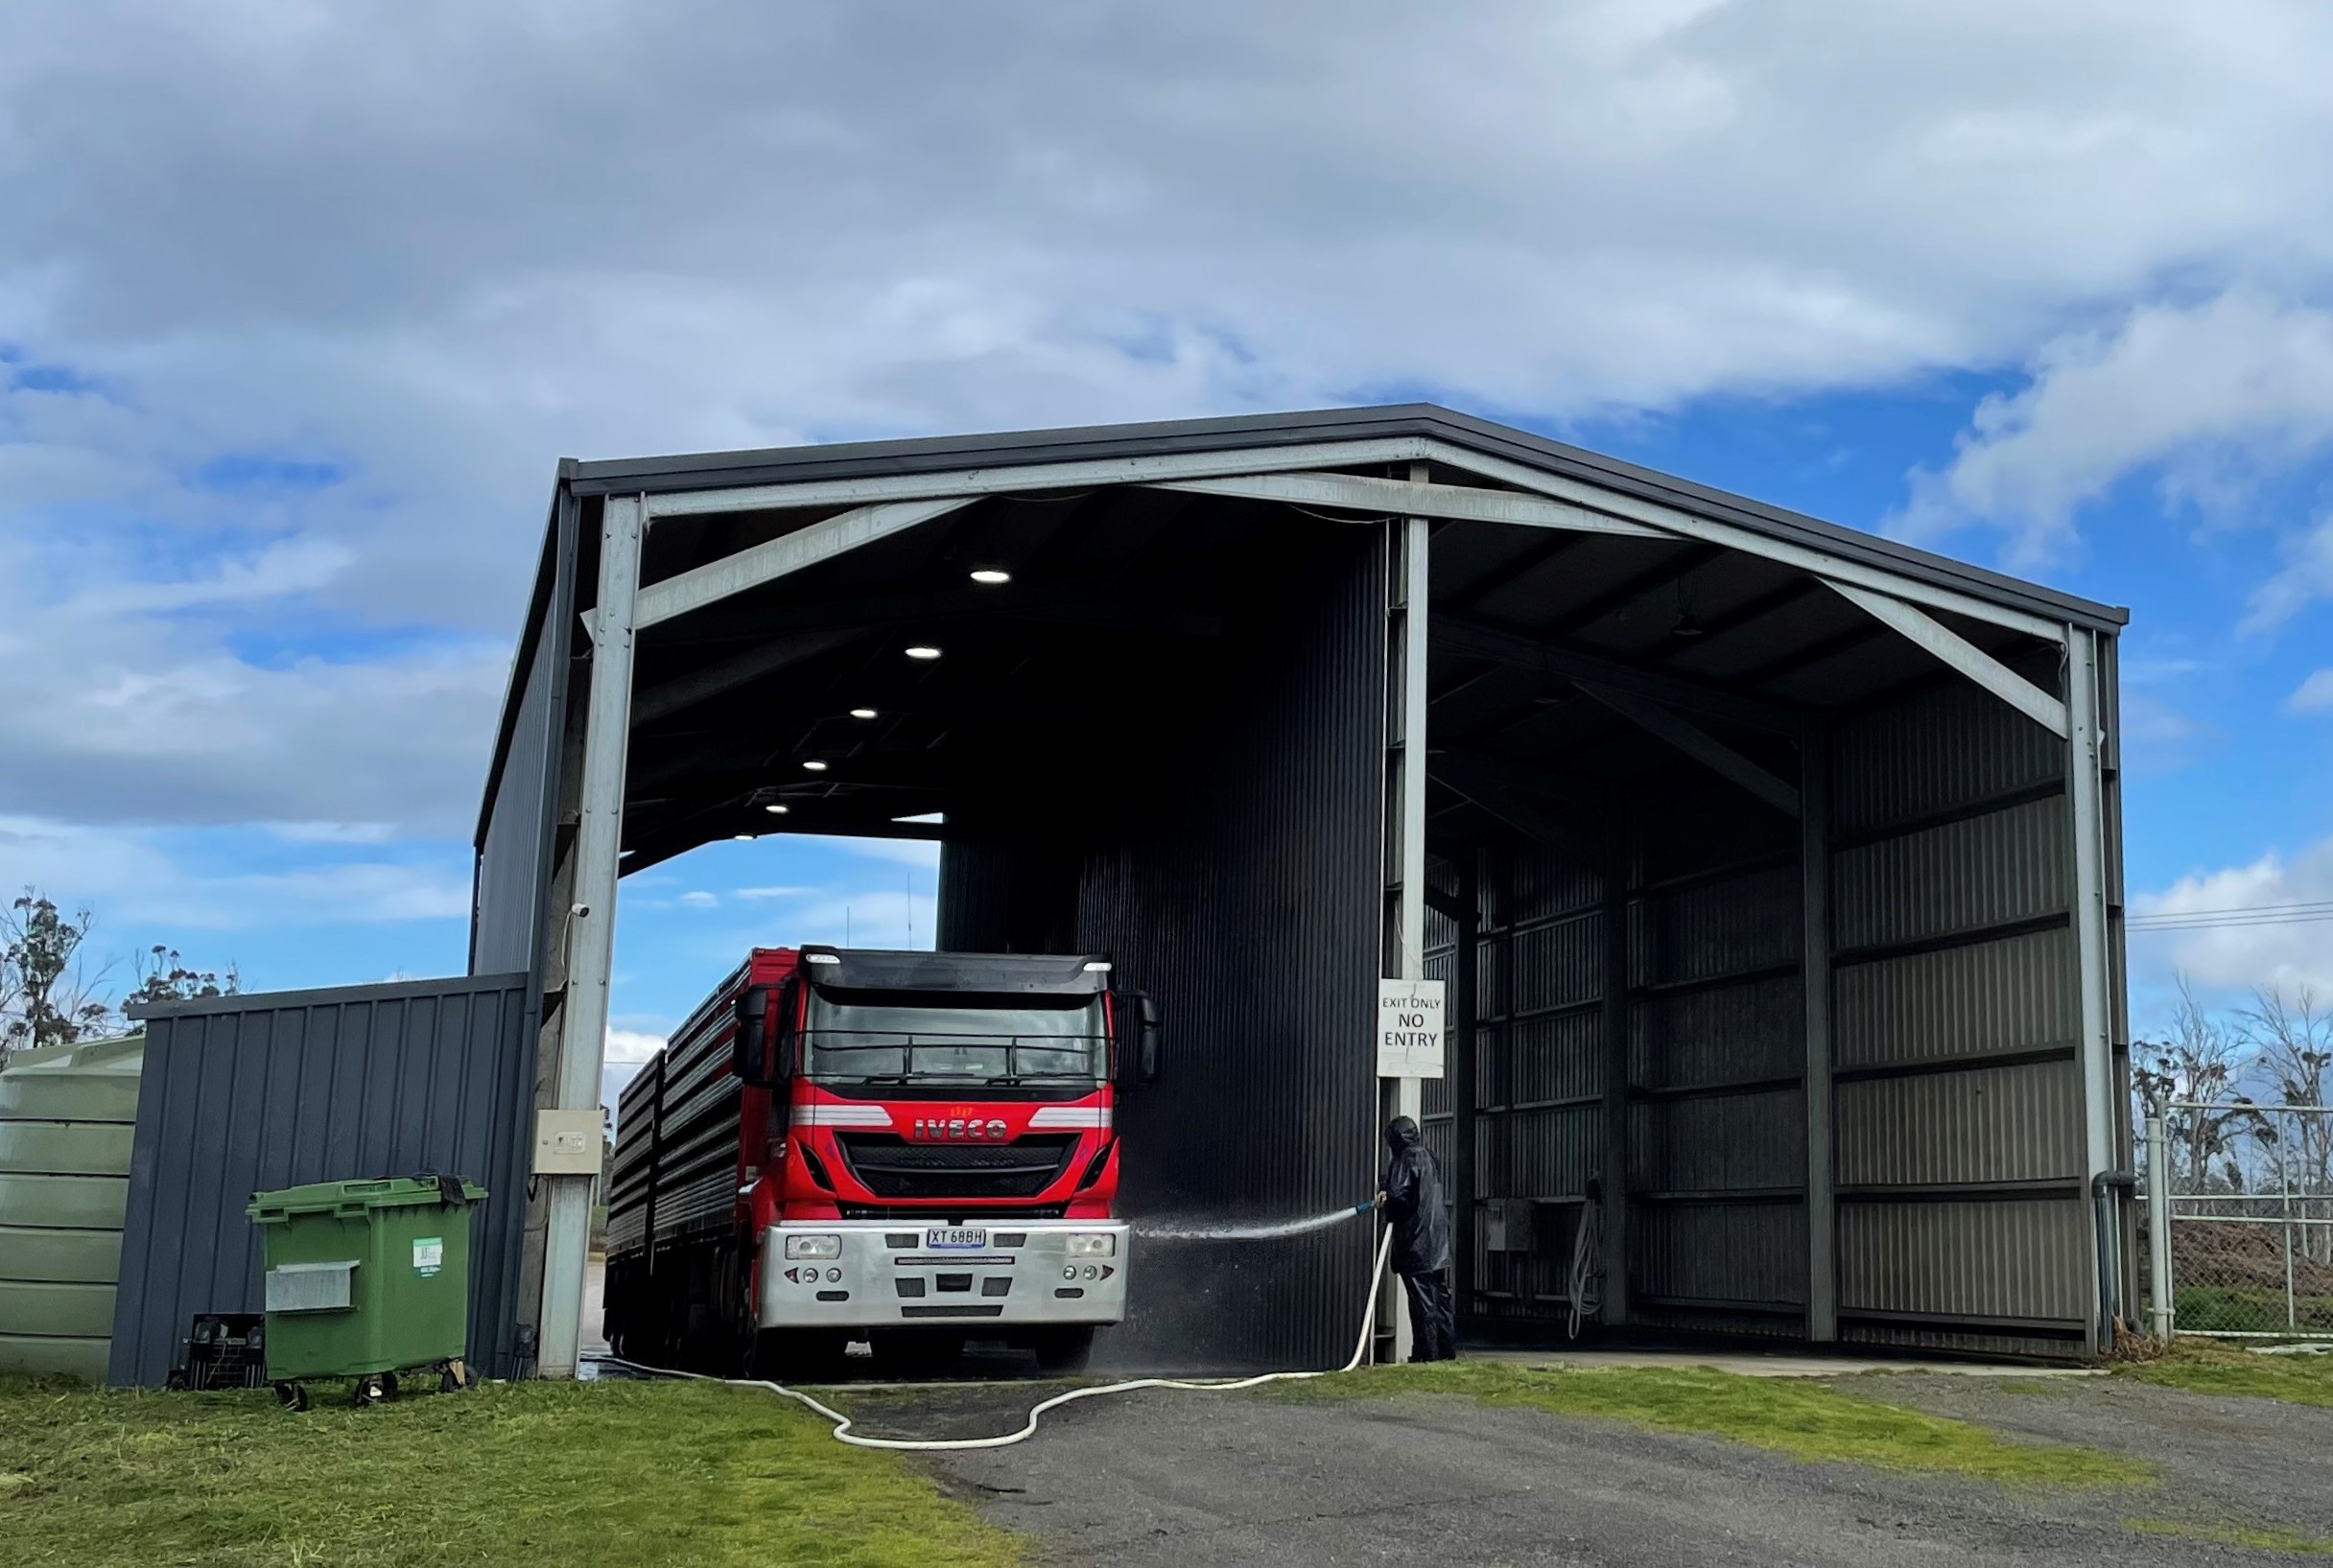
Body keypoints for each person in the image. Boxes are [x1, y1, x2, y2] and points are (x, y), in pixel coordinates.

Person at [1378, 1115, 1456, 1362]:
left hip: (1416, 1247)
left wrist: (1385, 1194)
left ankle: (1427, 1357)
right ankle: (1444, 1355)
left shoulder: (1405, 1160)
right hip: (1438, 1246)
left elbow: (1399, 1197)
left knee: (1423, 1306)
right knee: (1440, 1302)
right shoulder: (1429, 1156)